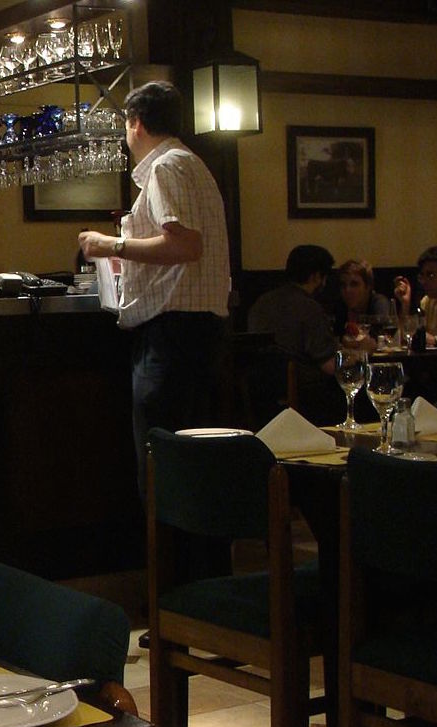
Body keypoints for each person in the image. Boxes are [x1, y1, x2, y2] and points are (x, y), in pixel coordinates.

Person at [78, 80, 230, 492]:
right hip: (198, 332)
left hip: (173, 336)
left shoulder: (166, 166)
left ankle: (168, 553)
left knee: (165, 467)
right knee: (194, 465)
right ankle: (194, 555)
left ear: (136, 124)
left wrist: (112, 244)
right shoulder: (193, 163)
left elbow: (186, 245)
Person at [247, 245, 342, 425]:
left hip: (257, 395)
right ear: (315, 276)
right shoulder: (309, 307)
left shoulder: (262, 303)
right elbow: (329, 365)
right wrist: (359, 356)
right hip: (304, 399)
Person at [333, 259, 392, 348]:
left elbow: (379, 339)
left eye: (354, 284)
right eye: (343, 285)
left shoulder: (379, 303)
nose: (347, 290)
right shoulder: (340, 306)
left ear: (368, 287)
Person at [392, 246, 437, 348]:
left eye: (430, 275)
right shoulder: (427, 301)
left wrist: (434, 340)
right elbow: (402, 338)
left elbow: (430, 339)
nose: (424, 282)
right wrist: (405, 304)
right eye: (422, 276)